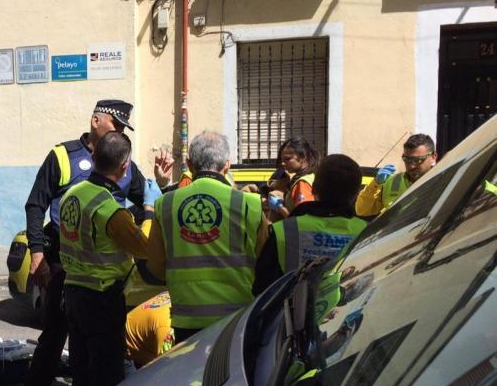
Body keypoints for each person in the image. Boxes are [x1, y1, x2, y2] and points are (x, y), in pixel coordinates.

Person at [6, 99, 168, 386]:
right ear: (96, 121)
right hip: (64, 270)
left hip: (99, 282)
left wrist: (160, 184)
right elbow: (36, 204)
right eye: (116, 124)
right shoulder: (63, 157)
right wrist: (37, 254)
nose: (120, 131)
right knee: (51, 347)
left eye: (124, 128)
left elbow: (143, 199)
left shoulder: (123, 165)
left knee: (89, 362)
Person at [59, 131, 159, 386]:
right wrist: (150, 210)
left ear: (93, 158)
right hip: (102, 300)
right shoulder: (111, 210)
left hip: (74, 294)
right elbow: (144, 249)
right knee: (106, 381)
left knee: (81, 377)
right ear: (124, 166)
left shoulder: (71, 196)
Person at [147, 131, 267, 344]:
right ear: (227, 165)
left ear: (190, 164)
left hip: (186, 321)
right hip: (237, 319)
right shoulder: (251, 204)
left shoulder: (165, 204)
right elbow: (264, 263)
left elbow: (155, 265)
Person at [253, 154, 369, 295]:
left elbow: (261, 288)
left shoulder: (283, 230)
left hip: (289, 314)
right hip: (342, 313)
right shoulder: (366, 232)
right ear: (356, 194)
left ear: (313, 188)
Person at [356, 133, 437, 217]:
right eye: (406, 159)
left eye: (418, 160)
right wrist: (375, 184)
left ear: (433, 157)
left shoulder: (443, 179)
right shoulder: (391, 183)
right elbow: (362, 210)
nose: (411, 166)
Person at [267, 137, 322, 218]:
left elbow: (302, 219)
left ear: (303, 157)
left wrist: (279, 207)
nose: (282, 163)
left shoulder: (303, 183)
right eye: (282, 159)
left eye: (287, 159)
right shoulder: (313, 176)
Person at [124, 291, 174, 368]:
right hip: (124, 352)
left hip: (122, 330)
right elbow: (164, 365)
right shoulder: (167, 327)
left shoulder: (174, 295)